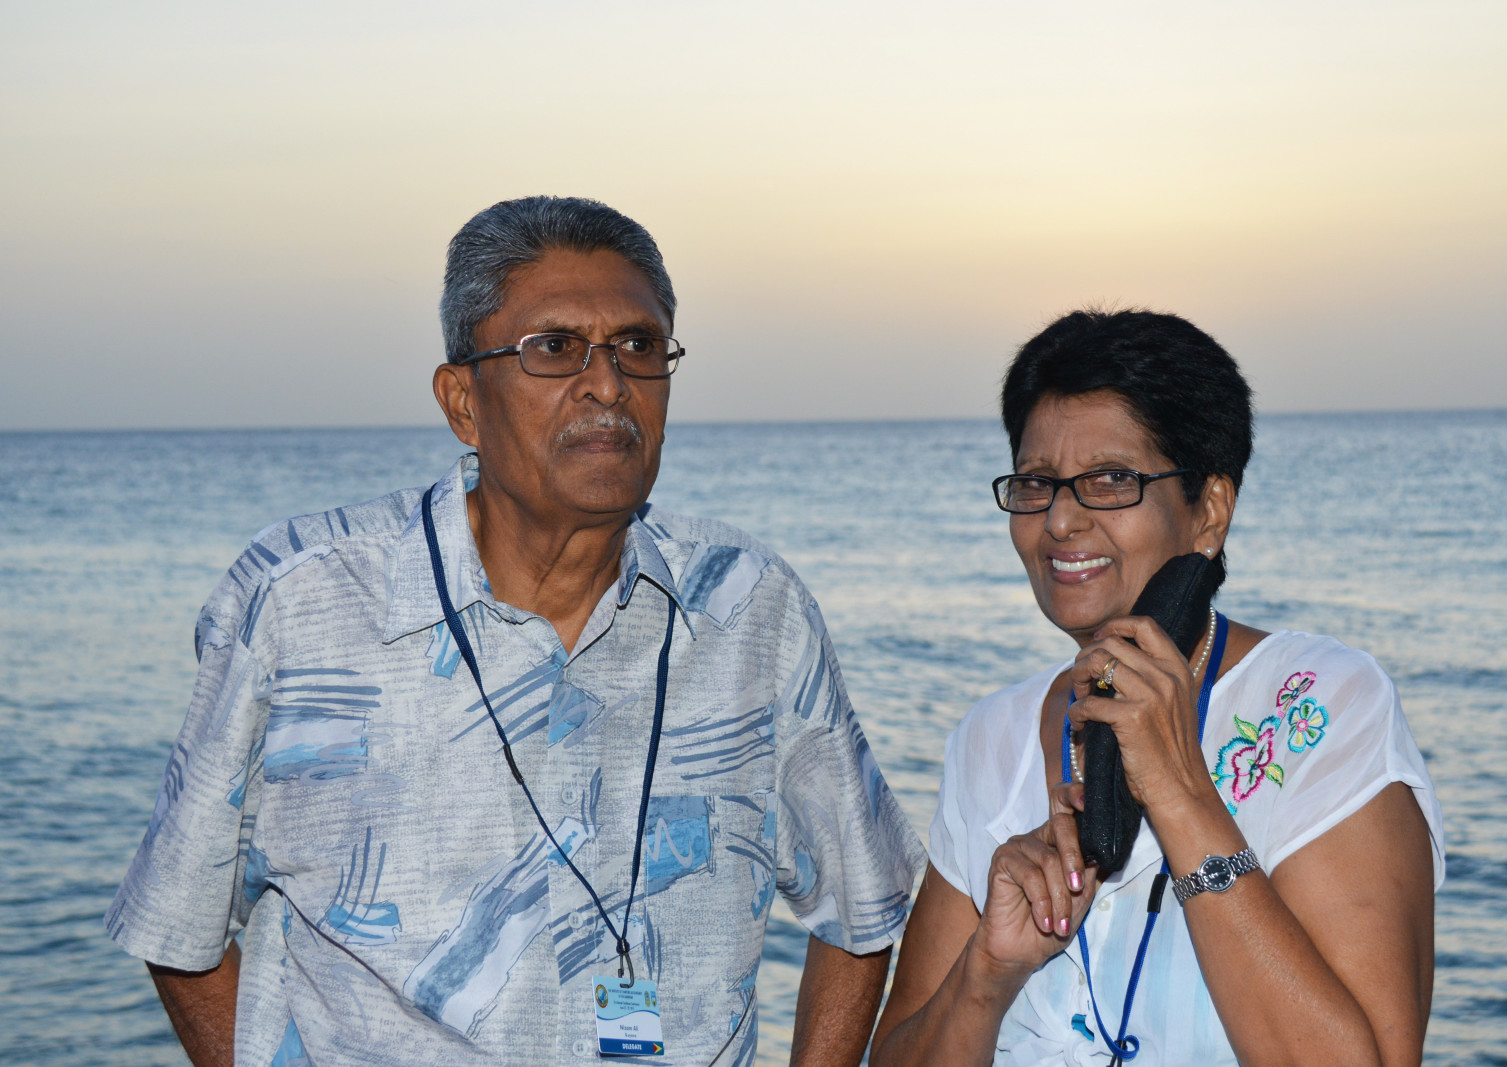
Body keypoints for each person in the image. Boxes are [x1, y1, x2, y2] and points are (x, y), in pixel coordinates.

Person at [106, 196, 925, 1066]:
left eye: (638, 346)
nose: (608, 384)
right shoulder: (300, 601)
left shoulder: (752, 610)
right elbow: (180, 928)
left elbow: (863, 906)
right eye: (555, 347)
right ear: (463, 401)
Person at [871, 310, 1443, 1066]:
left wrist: (1180, 793)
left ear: (1210, 511)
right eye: (1037, 482)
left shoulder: (1320, 706)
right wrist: (987, 973)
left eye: (1112, 480)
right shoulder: (992, 740)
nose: (1061, 519)